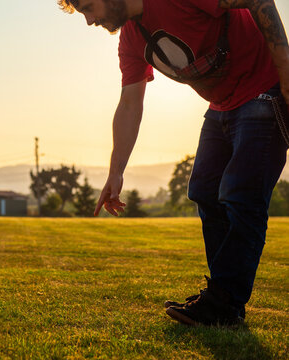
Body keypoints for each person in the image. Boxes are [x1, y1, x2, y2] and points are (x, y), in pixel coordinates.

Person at [58, 0, 289, 326]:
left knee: (240, 196)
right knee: (205, 190)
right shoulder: (131, 39)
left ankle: (223, 301)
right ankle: (226, 301)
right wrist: (115, 171)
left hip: (264, 88)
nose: (89, 20)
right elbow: (129, 102)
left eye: (87, 7)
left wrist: (286, 69)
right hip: (222, 105)